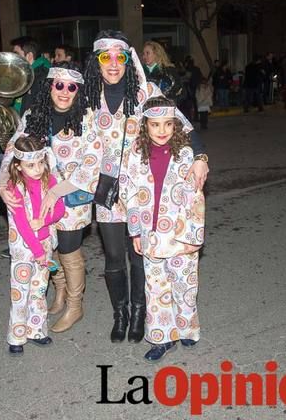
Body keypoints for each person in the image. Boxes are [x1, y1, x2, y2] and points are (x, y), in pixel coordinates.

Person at [38, 30, 209, 345]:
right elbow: (57, 115)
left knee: (138, 256)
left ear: (128, 61)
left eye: (120, 56)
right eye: (106, 57)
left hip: (142, 191)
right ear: (97, 62)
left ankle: (141, 312)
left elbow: (183, 125)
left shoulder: (147, 91)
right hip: (106, 191)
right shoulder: (87, 96)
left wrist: (199, 157)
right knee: (114, 257)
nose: (113, 64)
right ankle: (121, 314)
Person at [0, 62, 93, 333]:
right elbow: (12, 150)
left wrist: (56, 191)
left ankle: (75, 305)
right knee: (49, 248)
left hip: (72, 199)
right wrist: (4, 185)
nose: (64, 91)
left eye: (71, 86)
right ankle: (59, 292)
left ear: (79, 90)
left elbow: (92, 163)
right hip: (36, 201)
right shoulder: (33, 115)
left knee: (69, 250)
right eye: (58, 85)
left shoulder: (87, 118)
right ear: (49, 86)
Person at [119, 95, 205, 362]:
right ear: (145, 126)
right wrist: (134, 231)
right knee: (155, 289)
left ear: (175, 125)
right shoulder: (134, 154)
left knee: (184, 284)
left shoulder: (186, 154)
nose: (162, 131)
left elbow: (196, 198)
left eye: (168, 124)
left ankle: (187, 328)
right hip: (150, 235)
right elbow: (128, 193)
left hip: (181, 236)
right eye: (155, 125)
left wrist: (194, 237)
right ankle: (162, 338)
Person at [5, 136, 65, 357]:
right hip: (24, 249)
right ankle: (16, 336)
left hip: (45, 244)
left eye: (41, 162)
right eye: (31, 165)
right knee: (20, 292)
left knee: (39, 290)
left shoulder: (49, 181)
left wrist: (44, 221)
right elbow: (21, 223)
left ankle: (37, 330)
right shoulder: (14, 188)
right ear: (18, 165)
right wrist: (38, 252)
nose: (38, 169)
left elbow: (59, 209)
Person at [11, 36, 51, 115]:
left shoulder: (42, 77)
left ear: (29, 56)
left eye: (16, 55)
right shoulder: (25, 74)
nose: (13, 59)